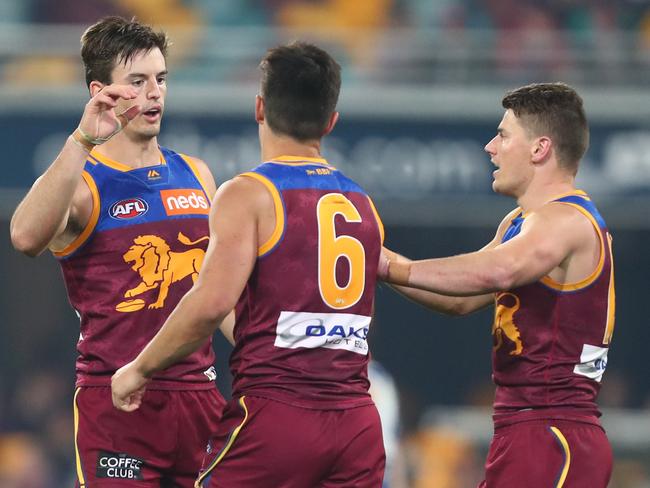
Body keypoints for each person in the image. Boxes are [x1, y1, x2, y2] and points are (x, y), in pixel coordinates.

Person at [111, 41, 386, 488]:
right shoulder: (362, 203)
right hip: (358, 424)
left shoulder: (249, 193)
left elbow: (211, 302)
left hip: (278, 415)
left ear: (259, 108)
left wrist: (139, 369)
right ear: (331, 121)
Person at [10, 16, 226, 487]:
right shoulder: (82, 183)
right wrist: (83, 139)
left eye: (161, 79)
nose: (155, 93)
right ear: (100, 91)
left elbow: (219, 292)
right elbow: (25, 237)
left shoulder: (197, 174)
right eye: (138, 82)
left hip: (200, 400)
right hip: (117, 403)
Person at [380, 82, 615, 487]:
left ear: (540, 149)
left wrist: (390, 266)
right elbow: (460, 300)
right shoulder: (518, 224)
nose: (490, 147)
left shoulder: (568, 221)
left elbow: (499, 271)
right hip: (523, 430)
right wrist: (380, 261)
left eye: (503, 135)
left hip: (553, 432)